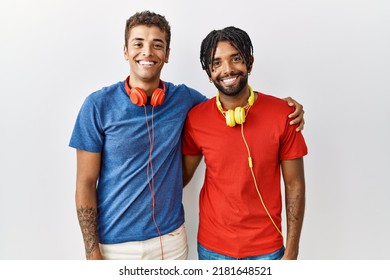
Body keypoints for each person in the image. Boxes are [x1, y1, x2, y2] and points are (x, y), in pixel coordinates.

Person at [69, 11, 305, 260]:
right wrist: (91, 253)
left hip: (171, 242)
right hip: (115, 245)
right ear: (126, 51)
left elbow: (228, 101)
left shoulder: (184, 101)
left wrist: (286, 108)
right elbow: (85, 183)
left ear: (167, 54)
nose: (147, 52)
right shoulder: (97, 106)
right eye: (138, 43)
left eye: (157, 45)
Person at [182, 26, 308, 260]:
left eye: (236, 59)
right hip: (212, 249)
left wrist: (291, 252)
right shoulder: (196, 118)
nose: (227, 69)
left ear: (249, 62)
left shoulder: (284, 114)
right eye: (216, 63)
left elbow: (295, 186)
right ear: (209, 73)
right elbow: (180, 178)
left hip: (268, 250)